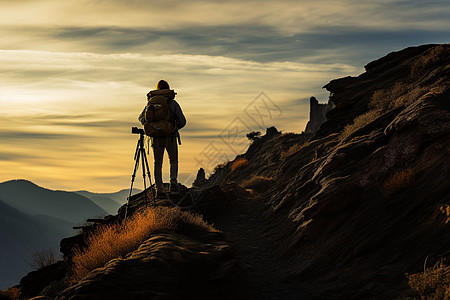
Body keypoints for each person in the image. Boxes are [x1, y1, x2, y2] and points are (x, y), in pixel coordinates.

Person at [138, 80, 186, 195]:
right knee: (173, 160)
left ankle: (159, 189)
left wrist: (153, 127)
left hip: (156, 138)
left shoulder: (150, 103)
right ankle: (173, 183)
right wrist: (174, 127)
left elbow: (141, 118)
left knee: (157, 163)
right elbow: (183, 121)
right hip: (170, 136)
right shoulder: (172, 103)